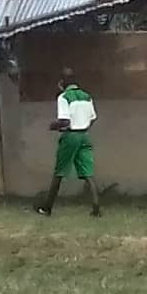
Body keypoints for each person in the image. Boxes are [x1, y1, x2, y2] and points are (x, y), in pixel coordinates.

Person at [34, 68, 102, 218]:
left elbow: (65, 120)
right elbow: (92, 118)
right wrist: (82, 127)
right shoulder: (87, 96)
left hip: (70, 136)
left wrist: (53, 126)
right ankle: (96, 208)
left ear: (62, 83)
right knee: (88, 173)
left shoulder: (64, 97)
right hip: (84, 135)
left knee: (59, 173)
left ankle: (47, 208)